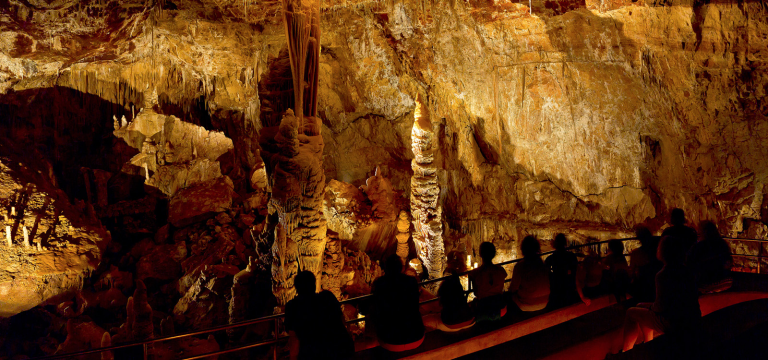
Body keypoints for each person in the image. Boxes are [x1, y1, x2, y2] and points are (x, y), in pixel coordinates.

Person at [618, 235, 701, 353]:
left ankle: (626, 351)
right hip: (690, 317)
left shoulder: (663, 274)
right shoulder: (687, 271)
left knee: (631, 312)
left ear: (663, 251)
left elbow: (660, 307)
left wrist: (650, 306)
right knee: (641, 306)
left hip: (673, 322)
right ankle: (649, 343)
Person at [285, 271, 354, 360]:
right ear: (314, 285)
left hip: (312, 354)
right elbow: (342, 320)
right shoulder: (327, 297)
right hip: (339, 349)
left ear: (297, 288)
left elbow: (294, 338)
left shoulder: (293, 307)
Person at [371, 255, 425, 352]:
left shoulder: (379, 284)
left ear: (385, 268)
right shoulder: (412, 281)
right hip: (417, 336)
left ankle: (364, 343)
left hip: (390, 341)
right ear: (401, 267)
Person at [687, 221, 733, 293]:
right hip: (726, 282)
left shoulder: (698, 247)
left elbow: (689, 264)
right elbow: (729, 262)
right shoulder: (722, 244)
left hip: (706, 284)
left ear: (702, 233)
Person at [509, 236, 550, 312]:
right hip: (544, 302)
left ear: (523, 250)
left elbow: (513, 288)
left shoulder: (520, 266)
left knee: (510, 296)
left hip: (526, 304)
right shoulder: (543, 264)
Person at [469, 242, 509, 320]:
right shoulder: (501, 270)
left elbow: (475, 293)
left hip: (483, 310)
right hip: (500, 308)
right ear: (494, 254)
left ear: (480, 254)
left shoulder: (475, 273)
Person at [436, 260, 474, 332]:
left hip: (450, 322)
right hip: (468, 318)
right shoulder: (458, 287)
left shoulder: (444, 288)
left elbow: (441, 305)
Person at [545, 233, 579, 308]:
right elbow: (575, 273)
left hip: (556, 289)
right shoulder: (572, 256)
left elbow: (545, 275)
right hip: (570, 288)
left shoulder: (550, 258)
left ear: (555, 244)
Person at [629, 227, 663, 302]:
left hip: (643, 285)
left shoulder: (636, 253)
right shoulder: (657, 252)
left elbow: (632, 271)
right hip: (656, 286)